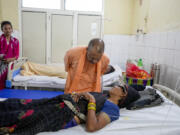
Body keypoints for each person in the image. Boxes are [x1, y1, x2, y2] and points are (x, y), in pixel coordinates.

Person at [0, 86, 127, 135]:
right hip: (61, 102)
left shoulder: (113, 108)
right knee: (19, 103)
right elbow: (85, 96)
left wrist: (92, 101)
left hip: (65, 113)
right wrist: (81, 93)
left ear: (123, 95)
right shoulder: (104, 95)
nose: (116, 85)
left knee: (27, 116)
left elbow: (92, 127)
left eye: (120, 87)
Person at [0, 21, 19, 89]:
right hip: (1, 65)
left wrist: (10, 59)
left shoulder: (16, 41)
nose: (8, 30)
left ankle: (8, 98)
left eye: (9, 28)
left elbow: (17, 55)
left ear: (12, 29)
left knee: (9, 83)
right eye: (5, 28)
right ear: (2, 30)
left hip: (11, 65)